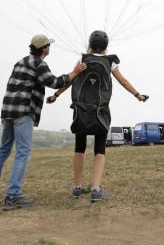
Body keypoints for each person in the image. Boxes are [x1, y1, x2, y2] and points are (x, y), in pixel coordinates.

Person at [0, 34, 87, 210]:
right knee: (23, 152)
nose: (49, 48)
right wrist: (76, 72)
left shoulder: (21, 61)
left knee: (3, 150)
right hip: (23, 111)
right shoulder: (39, 63)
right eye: (48, 46)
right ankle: (13, 196)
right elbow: (54, 82)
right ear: (44, 49)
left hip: (7, 111)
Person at [47, 30, 147, 202]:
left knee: (80, 147)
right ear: (105, 47)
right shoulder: (110, 62)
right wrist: (138, 95)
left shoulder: (82, 59)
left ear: (91, 44)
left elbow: (70, 79)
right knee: (99, 149)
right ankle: (95, 189)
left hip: (81, 110)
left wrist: (56, 95)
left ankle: (77, 188)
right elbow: (122, 81)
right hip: (100, 111)